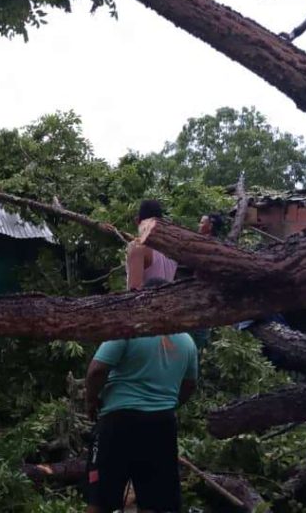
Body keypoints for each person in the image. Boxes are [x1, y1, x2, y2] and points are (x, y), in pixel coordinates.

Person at [84, 277, 199, 513]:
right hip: (161, 426)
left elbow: (97, 370)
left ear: (143, 299)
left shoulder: (128, 329)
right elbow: (189, 385)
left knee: (100, 500)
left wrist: (91, 401)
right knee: (155, 502)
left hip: (119, 423)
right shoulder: (187, 341)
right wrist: (168, 404)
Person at [125, 200, 178, 290]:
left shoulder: (138, 247)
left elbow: (134, 289)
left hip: (149, 302)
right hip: (169, 300)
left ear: (137, 221)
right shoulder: (172, 248)